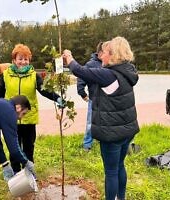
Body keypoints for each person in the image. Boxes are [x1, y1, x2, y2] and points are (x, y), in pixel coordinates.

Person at [63, 36, 140, 200]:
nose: (100, 56)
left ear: (112, 54)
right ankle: (122, 197)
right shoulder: (127, 72)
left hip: (113, 134)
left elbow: (79, 71)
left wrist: (68, 56)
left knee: (111, 172)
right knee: (120, 166)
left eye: (103, 53)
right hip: (127, 130)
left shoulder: (109, 75)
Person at [0, 43, 64, 173]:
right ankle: (16, 173)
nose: (23, 62)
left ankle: (29, 172)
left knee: (28, 148)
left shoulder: (33, 75)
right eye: (20, 59)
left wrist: (57, 98)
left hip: (29, 118)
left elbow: (44, 90)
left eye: (26, 59)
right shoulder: (6, 76)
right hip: (11, 119)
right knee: (13, 147)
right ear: (14, 60)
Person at [77, 42, 103, 151]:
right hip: (94, 99)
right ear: (100, 53)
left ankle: (102, 139)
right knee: (90, 122)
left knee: (105, 121)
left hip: (108, 100)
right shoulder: (90, 65)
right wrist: (82, 92)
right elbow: (81, 78)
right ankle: (87, 144)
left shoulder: (110, 63)